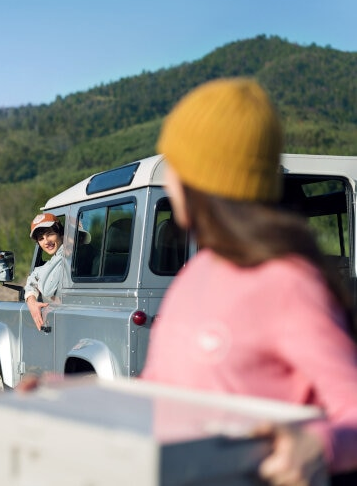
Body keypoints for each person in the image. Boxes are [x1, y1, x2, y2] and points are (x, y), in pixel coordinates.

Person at [141, 77, 357, 484]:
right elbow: (157, 392)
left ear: (199, 181)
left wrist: (319, 446)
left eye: (174, 166)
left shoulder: (287, 281)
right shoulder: (193, 276)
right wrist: (66, 398)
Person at [24, 212, 67, 330]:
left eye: (50, 234)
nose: (46, 241)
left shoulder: (70, 255)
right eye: (41, 238)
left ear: (61, 233)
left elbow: (48, 290)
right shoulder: (49, 265)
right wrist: (31, 301)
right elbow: (33, 278)